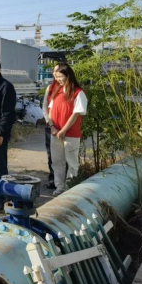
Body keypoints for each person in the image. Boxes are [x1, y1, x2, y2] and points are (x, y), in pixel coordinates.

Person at [48, 63, 87, 197]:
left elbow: (75, 114)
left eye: (60, 76)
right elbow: (51, 111)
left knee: (72, 162)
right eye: (56, 77)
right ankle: (59, 187)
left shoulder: (78, 93)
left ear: (68, 75)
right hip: (55, 133)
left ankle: (70, 188)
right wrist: (52, 127)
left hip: (71, 134)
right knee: (57, 161)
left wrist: (63, 130)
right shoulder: (57, 92)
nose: (58, 79)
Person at [42, 63, 66, 189]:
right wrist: (49, 123)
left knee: (66, 155)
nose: (56, 75)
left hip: (66, 127)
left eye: (59, 72)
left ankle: (66, 181)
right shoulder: (50, 88)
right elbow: (45, 106)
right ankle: (53, 179)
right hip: (51, 126)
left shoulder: (71, 89)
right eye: (54, 72)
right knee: (52, 155)